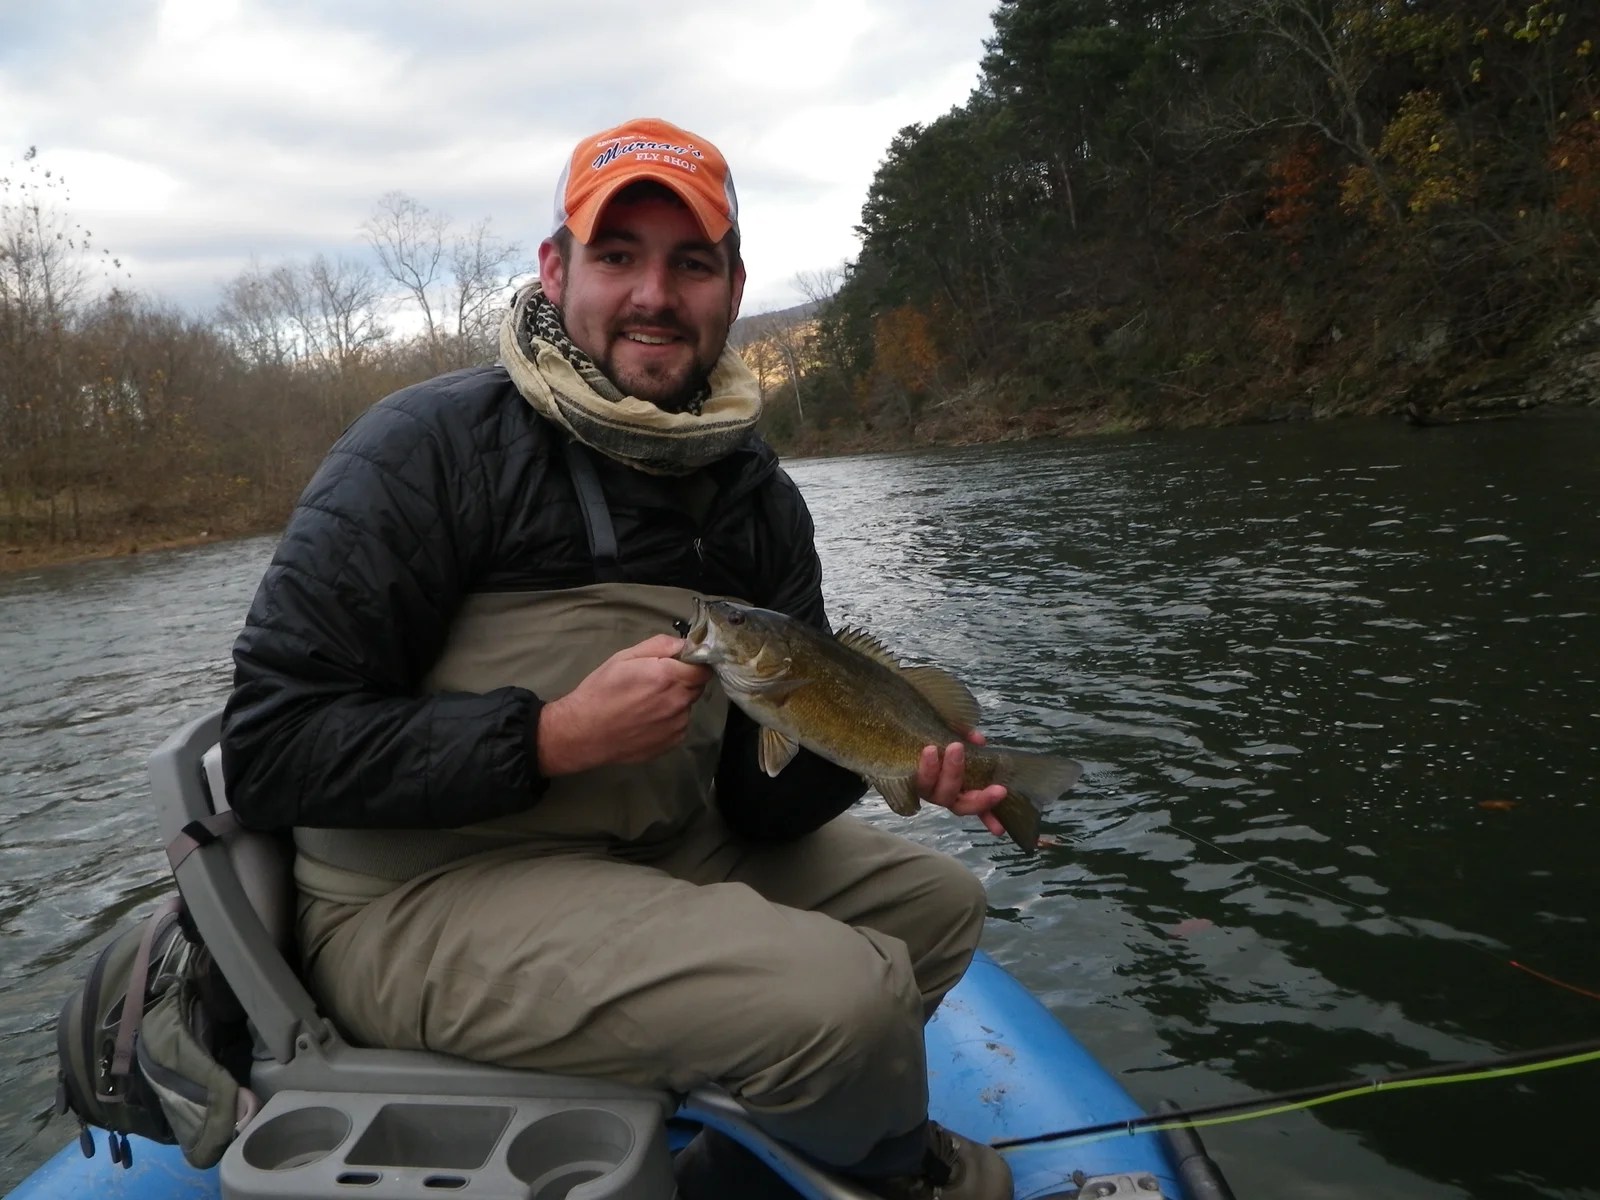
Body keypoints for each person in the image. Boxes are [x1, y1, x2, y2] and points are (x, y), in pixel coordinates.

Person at [220, 117, 1012, 1200]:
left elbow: (760, 805)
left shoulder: (755, 495)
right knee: (843, 996)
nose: (654, 294)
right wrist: (550, 735)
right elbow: (272, 745)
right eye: (617, 256)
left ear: (732, 287)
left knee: (937, 908)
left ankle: (746, 1161)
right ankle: (883, 1174)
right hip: (417, 896)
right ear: (556, 270)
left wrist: (877, 757)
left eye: (691, 263)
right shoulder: (423, 449)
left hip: (652, 854)